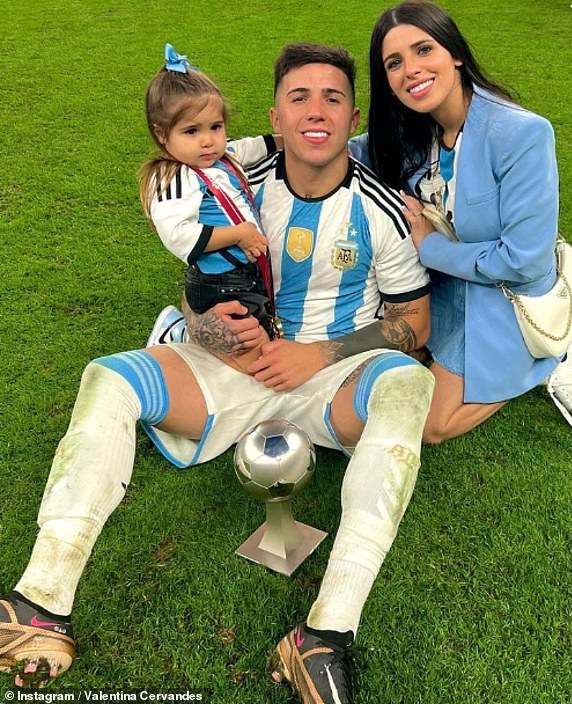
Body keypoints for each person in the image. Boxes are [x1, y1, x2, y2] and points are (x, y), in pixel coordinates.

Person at [0, 43, 434, 703]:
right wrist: (207, 330)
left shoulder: (379, 209)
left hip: (331, 377)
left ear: (353, 119)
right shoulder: (225, 178)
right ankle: (41, 601)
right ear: (275, 118)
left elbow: (414, 323)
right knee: (109, 377)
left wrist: (317, 355)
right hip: (231, 367)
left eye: (333, 98)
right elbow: (192, 293)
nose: (316, 111)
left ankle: (324, 634)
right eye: (299, 97)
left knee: (410, 383)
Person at [349, 0, 572, 443]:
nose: (410, 69)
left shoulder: (522, 134)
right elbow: (343, 148)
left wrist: (428, 247)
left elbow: (523, 260)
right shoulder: (414, 128)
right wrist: (253, 148)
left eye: (423, 50)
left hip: (509, 293)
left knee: (433, 425)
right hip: (452, 283)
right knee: (402, 354)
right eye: (394, 63)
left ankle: (554, 352)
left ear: (456, 54)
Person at [139, 44, 280, 372]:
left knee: (261, 338)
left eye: (215, 127)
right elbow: (178, 235)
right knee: (252, 354)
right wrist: (240, 234)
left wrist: (289, 139)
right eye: (191, 131)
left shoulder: (222, 156)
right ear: (162, 135)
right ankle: (174, 339)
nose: (207, 140)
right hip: (219, 281)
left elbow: (252, 147)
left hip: (244, 274)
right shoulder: (174, 176)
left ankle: (194, 343)